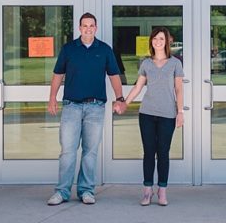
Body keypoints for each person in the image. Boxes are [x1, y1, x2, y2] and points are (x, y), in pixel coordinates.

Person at [46, 12, 125, 206]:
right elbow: (58, 74)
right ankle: (62, 191)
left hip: (96, 108)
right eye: (84, 25)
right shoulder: (69, 49)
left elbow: (114, 76)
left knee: (90, 152)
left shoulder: (105, 50)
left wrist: (120, 98)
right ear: (79, 28)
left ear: (95, 28)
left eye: (91, 25)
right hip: (72, 106)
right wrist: (52, 98)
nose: (88, 28)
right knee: (68, 151)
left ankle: (86, 191)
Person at [120, 26, 184, 206]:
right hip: (147, 114)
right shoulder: (146, 63)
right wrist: (125, 102)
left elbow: (178, 89)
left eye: (161, 39)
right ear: (151, 41)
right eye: (155, 39)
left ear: (167, 42)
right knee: (149, 152)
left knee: (163, 153)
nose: (158, 42)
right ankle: (147, 191)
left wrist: (180, 112)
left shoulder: (175, 63)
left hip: (168, 115)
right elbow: (138, 87)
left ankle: (162, 191)